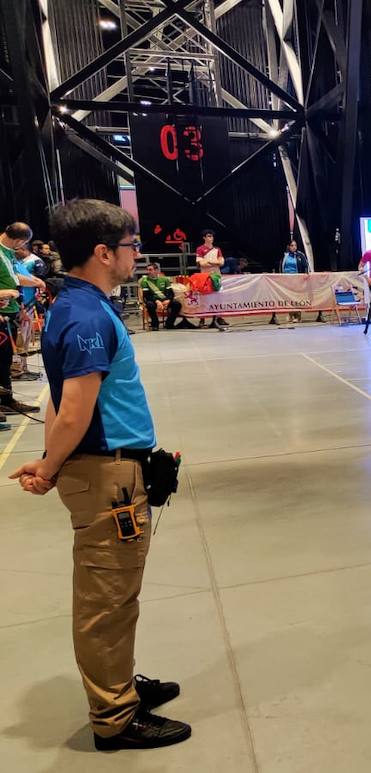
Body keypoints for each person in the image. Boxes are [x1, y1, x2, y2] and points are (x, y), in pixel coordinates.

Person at [7, 199, 192, 751]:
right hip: (106, 474)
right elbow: (73, 411)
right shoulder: (87, 315)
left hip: (112, 469)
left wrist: (52, 464)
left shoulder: (85, 306)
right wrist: (48, 467)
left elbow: (64, 402)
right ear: (103, 252)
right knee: (106, 598)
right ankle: (114, 716)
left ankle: (119, 683)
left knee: (117, 593)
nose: (138, 254)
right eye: (132, 245)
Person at [1, 222, 44, 417]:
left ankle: (6, 400)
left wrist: (35, 282)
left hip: (10, 309)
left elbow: (13, 277)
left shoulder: (7, 252)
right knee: (2, 358)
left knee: (6, 356)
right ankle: (5, 401)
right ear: (20, 241)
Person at [270, 239, 316, 325]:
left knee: (297, 298)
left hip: (297, 280)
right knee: (289, 298)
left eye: (295, 245)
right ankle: (290, 315)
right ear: (288, 247)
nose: (294, 247)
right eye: (292, 245)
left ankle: (298, 316)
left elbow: (306, 265)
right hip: (287, 280)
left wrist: (306, 273)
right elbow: (281, 266)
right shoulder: (285, 255)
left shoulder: (300, 255)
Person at [138, 263, 186, 331]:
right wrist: (157, 301)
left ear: (157, 270)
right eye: (148, 270)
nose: (148, 271)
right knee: (149, 305)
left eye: (150, 270)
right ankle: (155, 324)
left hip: (164, 300)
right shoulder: (145, 281)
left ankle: (169, 323)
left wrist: (168, 300)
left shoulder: (164, 279)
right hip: (153, 300)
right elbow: (147, 295)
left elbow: (170, 292)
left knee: (177, 304)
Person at [194, 230, 227, 328]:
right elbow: (201, 263)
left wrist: (209, 261)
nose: (211, 238)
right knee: (204, 298)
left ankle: (218, 318)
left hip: (216, 276)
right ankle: (202, 319)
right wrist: (215, 262)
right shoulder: (200, 249)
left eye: (212, 236)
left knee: (218, 297)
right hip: (204, 277)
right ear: (204, 238)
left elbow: (221, 263)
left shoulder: (217, 249)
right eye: (208, 236)